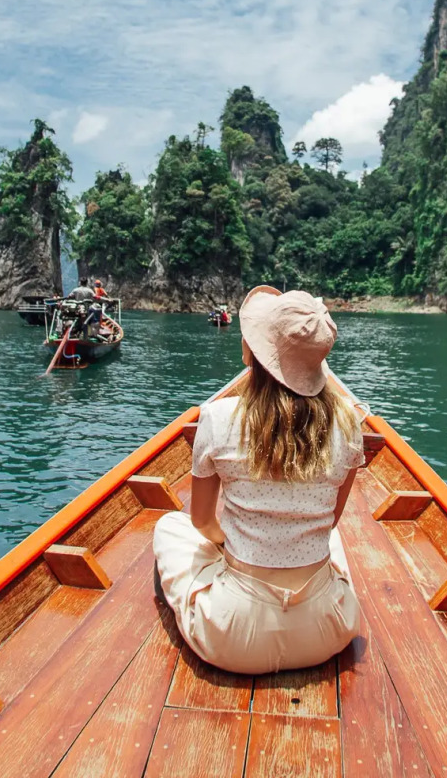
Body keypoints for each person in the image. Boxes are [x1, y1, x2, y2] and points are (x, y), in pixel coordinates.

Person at [153, 285, 363, 675]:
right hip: (326, 631)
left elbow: (201, 522)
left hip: (233, 637)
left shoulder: (217, 419)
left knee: (169, 526)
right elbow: (331, 520)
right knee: (332, 540)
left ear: (255, 351)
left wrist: (226, 545)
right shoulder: (350, 423)